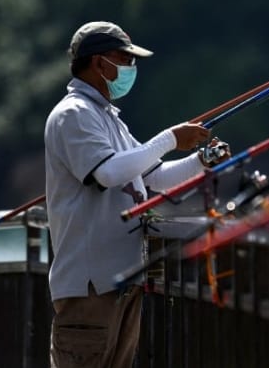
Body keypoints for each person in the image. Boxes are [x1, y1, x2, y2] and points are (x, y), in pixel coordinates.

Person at [44, 21, 229, 367]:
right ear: (99, 62)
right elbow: (108, 173)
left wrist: (202, 161)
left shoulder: (108, 118)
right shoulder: (73, 115)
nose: (131, 67)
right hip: (90, 287)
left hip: (122, 283)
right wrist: (170, 139)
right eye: (125, 59)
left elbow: (155, 176)